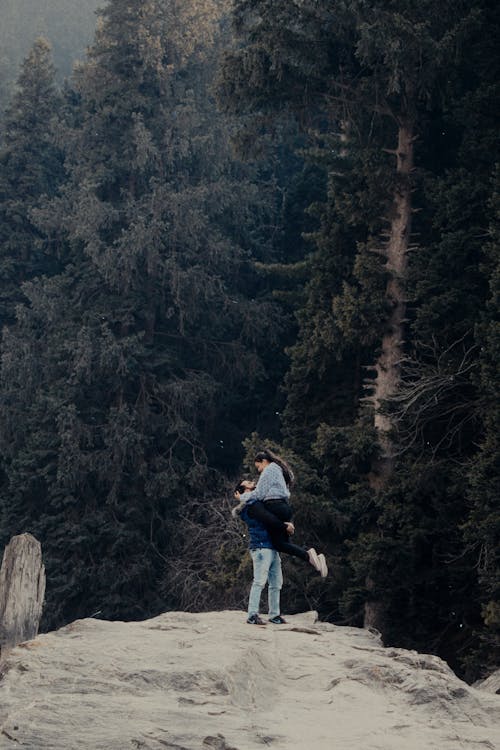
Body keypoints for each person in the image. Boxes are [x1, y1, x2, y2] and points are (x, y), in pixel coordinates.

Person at [233, 449, 328, 578]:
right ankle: (313, 559)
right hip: (283, 507)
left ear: (264, 461)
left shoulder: (269, 470)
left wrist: (241, 498)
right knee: (283, 544)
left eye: (258, 466)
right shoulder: (278, 469)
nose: (259, 470)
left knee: (278, 544)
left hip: (274, 506)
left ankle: (309, 556)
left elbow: (259, 494)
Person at [237, 487, 286, 625]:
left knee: (277, 582)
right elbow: (265, 519)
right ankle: (252, 615)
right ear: (241, 494)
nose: (253, 486)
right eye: (248, 486)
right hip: (260, 547)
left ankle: (274, 614)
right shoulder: (249, 508)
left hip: (272, 547)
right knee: (259, 581)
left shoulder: (259, 504)